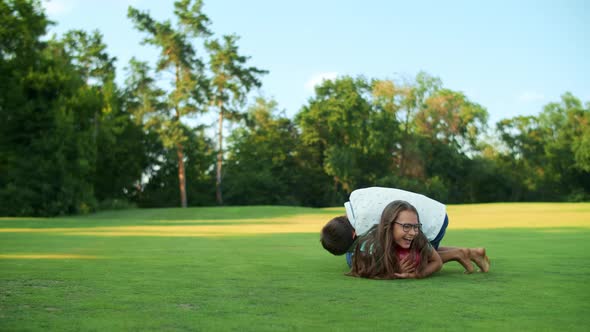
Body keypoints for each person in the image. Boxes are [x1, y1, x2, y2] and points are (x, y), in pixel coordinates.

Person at [320, 187, 490, 276]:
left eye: (353, 245)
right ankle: (471, 252)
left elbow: (383, 254)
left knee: (406, 257)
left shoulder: (365, 225)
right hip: (434, 211)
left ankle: (458, 254)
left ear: (353, 234)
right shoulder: (355, 200)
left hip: (430, 223)